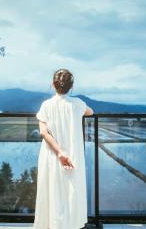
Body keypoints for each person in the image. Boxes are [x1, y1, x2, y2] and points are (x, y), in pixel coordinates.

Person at [33, 68, 94, 229]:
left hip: (52, 153)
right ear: (71, 86)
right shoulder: (78, 104)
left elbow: (43, 132)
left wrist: (59, 152)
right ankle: (70, 224)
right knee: (70, 191)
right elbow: (91, 112)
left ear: (53, 84)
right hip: (72, 155)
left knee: (52, 190)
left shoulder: (46, 105)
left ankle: (51, 224)